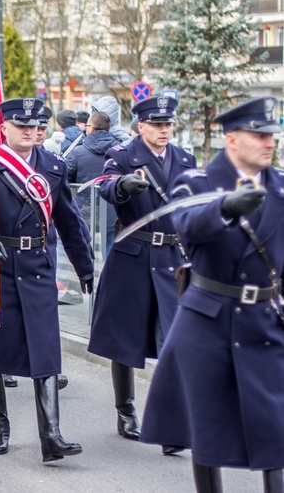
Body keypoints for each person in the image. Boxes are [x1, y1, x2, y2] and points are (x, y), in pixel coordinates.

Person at [140, 96, 284, 493]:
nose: (270, 142)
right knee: (207, 428)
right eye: (260, 135)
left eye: (272, 134)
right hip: (209, 321)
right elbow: (187, 222)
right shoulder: (197, 182)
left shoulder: (282, 187)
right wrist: (225, 207)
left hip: (266, 320)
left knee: (276, 427)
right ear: (233, 140)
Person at [0, 97, 94, 462]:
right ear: (4, 127)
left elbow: (69, 221)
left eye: (35, 126)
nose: (29, 131)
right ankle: (0, 423)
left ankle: (51, 434)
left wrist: (85, 267)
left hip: (37, 264)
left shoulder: (53, 166)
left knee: (45, 347)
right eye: (21, 126)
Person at [88, 96, 196, 449]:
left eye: (168, 124)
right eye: (157, 124)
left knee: (176, 344)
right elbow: (104, 184)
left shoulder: (185, 159)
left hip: (170, 258)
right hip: (132, 256)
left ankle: (170, 422)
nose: (164, 130)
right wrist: (121, 186)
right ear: (141, 125)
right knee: (125, 339)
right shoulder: (122, 155)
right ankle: (125, 410)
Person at [66, 111, 119, 255]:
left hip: (85, 211)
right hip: (113, 212)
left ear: (91, 128)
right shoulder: (120, 151)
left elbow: (66, 178)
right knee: (109, 253)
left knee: (85, 253)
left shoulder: (77, 152)